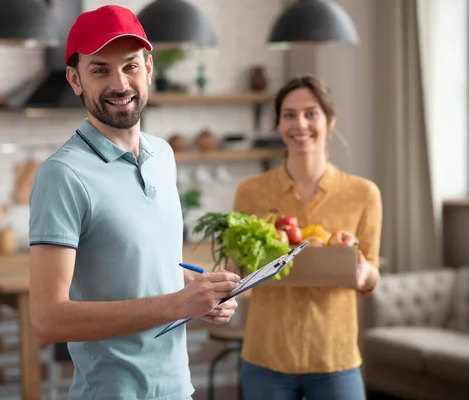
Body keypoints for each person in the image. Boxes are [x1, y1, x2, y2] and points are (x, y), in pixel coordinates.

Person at [27, 5, 240, 400]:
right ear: (75, 79)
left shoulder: (163, 156)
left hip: (177, 390)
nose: (119, 83)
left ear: (149, 68)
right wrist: (178, 304)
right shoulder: (63, 175)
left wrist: (199, 293)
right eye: (100, 70)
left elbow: (149, 268)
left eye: (130, 66)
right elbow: (47, 319)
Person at [230, 75, 382, 400]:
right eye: (289, 115)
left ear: (330, 121)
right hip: (266, 355)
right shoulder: (251, 192)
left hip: (335, 357)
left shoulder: (363, 194)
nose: (300, 124)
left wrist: (363, 272)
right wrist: (234, 274)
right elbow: (236, 269)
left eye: (311, 113)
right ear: (279, 124)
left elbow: (371, 274)